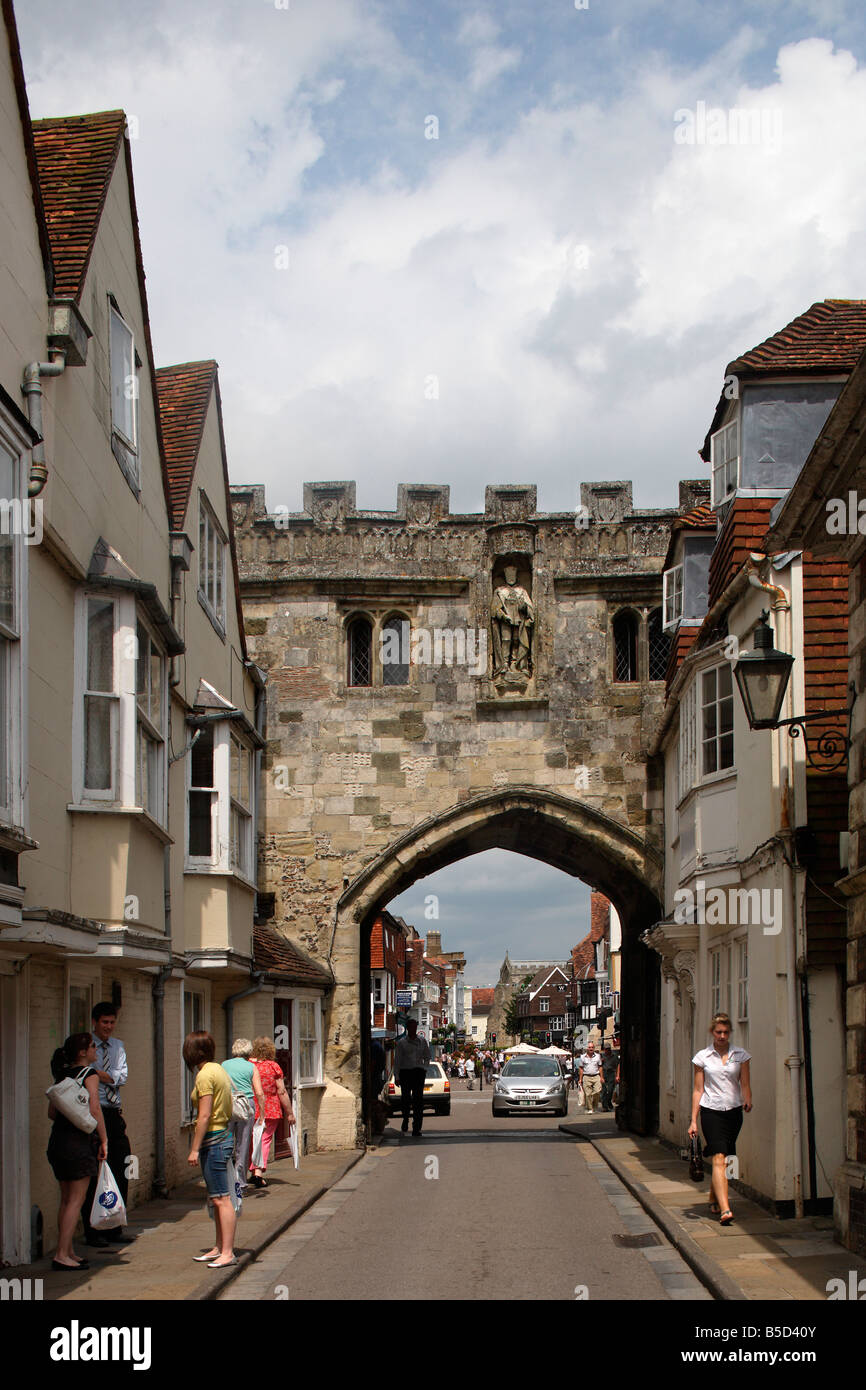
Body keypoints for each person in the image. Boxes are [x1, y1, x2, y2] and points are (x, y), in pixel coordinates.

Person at [47, 1033, 108, 1270]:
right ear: (83, 1052)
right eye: (93, 1047)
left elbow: (52, 1113)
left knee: (65, 1200)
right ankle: (62, 1254)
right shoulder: (89, 1075)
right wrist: (104, 1139)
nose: (96, 1050)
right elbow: (95, 1109)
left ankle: (68, 1250)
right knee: (77, 1200)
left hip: (58, 1142)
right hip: (78, 1143)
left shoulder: (62, 1075)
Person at [689, 1013, 752, 1225]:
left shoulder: (740, 1055)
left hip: (734, 1112)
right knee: (718, 1157)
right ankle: (726, 1209)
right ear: (712, 1033)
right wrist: (693, 1120)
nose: (722, 1036)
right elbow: (698, 1090)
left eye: (726, 1032)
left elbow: (744, 1083)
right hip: (711, 1111)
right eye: (719, 1032)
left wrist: (748, 1099)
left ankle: (713, 1197)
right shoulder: (702, 1057)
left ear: (730, 1032)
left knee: (727, 1160)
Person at [184, 1030, 237, 1268]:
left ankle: (227, 1252)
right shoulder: (218, 1069)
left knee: (222, 1199)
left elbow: (204, 1115)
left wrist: (194, 1149)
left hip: (214, 1140)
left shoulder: (205, 1076)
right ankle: (219, 1246)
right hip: (222, 1136)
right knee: (215, 1198)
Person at [83, 1002, 133, 1249]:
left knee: (122, 1166)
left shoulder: (118, 1046)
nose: (108, 1027)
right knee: (95, 1172)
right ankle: (93, 1230)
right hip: (94, 1113)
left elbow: (121, 1078)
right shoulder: (87, 1046)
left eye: (112, 1023)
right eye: (104, 1023)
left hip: (113, 1113)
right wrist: (106, 1075)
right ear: (95, 1022)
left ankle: (115, 1226)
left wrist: (98, 1074)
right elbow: (92, 1073)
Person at [221, 1038, 266, 1190]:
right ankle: (240, 1181)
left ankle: (225, 1179)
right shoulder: (251, 1067)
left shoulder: (224, 1065)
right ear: (248, 1051)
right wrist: (262, 1114)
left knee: (226, 1141)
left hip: (228, 1104)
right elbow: (259, 1092)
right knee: (243, 1143)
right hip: (246, 1104)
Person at [250, 1036, 296, 1186]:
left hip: (251, 1107)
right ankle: (258, 1172)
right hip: (270, 1107)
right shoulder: (273, 1066)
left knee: (252, 1139)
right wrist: (289, 1112)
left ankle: (253, 1170)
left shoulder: (249, 1065)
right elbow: (281, 1091)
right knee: (264, 1139)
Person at [394, 1019, 430, 1136]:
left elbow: (427, 1056)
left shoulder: (422, 1041)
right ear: (407, 1028)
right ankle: (405, 1118)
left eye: (415, 1027)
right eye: (411, 1027)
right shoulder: (402, 1043)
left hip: (418, 1072)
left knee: (418, 1101)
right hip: (406, 1072)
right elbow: (397, 1061)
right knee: (405, 1099)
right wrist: (397, 1076)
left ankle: (416, 1128)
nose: (413, 1029)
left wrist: (424, 1069)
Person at [578, 1040, 603, 1112]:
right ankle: (590, 1108)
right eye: (589, 1047)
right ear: (587, 1048)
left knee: (598, 1091)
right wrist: (580, 1079)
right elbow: (581, 1068)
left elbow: (600, 1067)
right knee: (588, 1094)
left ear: (594, 1048)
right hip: (586, 1076)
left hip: (596, 1076)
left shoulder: (598, 1056)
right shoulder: (582, 1057)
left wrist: (601, 1077)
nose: (591, 1048)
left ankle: (594, 1105)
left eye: (592, 1047)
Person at [601, 1044, 619, 1111]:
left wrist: (617, 1075)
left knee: (611, 1090)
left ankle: (608, 1101)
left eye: (608, 1049)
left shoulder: (614, 1056)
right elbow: (600, 1066)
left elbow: (617, 1065)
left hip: (611, 1073)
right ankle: (604, 1106)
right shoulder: (602, 1056)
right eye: (606, 1049)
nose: (607, 1050)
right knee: (604, 1090)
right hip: (604, 1072)